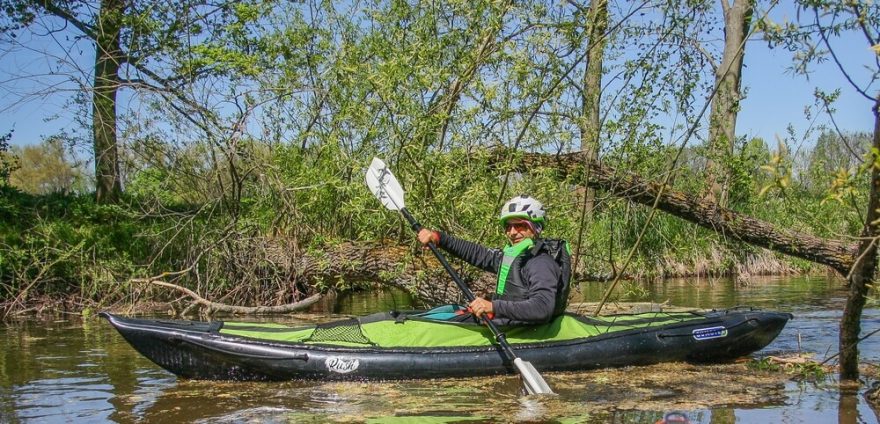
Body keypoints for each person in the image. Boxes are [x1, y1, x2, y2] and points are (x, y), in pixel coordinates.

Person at [417, 195, 562, 325]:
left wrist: (493, 306)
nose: (512, 232)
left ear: (535, 227)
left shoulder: (541, 263)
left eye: (519, 225)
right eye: (508, 226)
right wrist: (439, 238)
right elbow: (477, 253)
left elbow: (542, 307)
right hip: (505, 322)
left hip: (519, 331)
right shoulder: (514, 257)